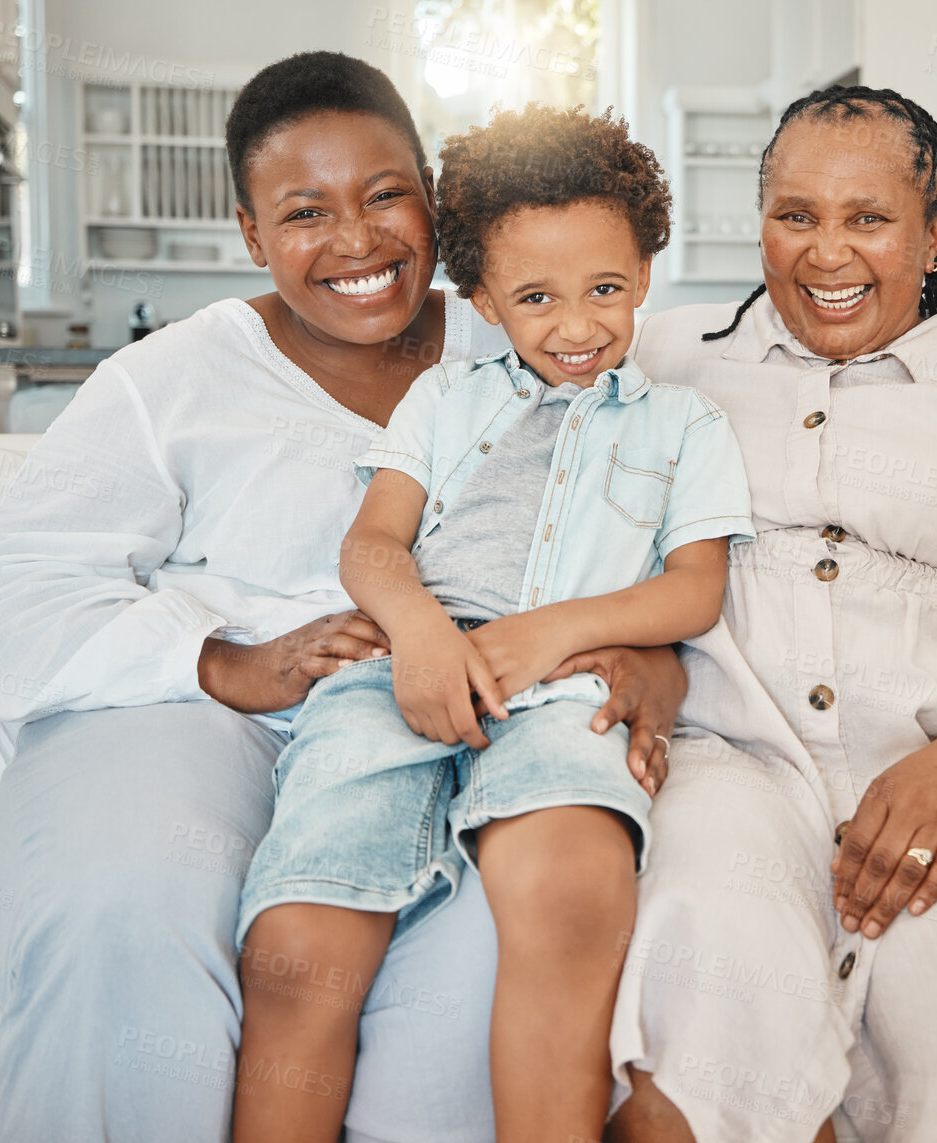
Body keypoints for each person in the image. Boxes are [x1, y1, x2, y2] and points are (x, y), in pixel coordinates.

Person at [0, 54, 683, 1143]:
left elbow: (646, 538)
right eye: (306, 212)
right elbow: (15, 592)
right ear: (253, 235)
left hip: (451, 723)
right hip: (193, 717)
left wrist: (649, 660)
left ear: (434, 204)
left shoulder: (538, 336)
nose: (355, 241)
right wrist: (223, 662)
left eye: (386, 195)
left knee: (480, 969)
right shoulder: (172, 378)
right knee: (130, 907)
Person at [607, 85, 937, 1143]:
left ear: (933, 230)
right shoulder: (663, 361)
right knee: (701, 969)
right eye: (796, 215)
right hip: (731, 754)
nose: (827, 254)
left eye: (869, 219)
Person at [231, 104, 752, 1143]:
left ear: (646, 273)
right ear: (480, 301)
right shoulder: (442, 398)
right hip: (402, 669)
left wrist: (551, 635)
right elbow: (373, 546)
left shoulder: (683, 424)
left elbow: (694, 586)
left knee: (570, 889)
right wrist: (422, 635)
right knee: (300, 937)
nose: (577, 325)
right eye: (535, 298)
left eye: (606, 288)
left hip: (564, 691)